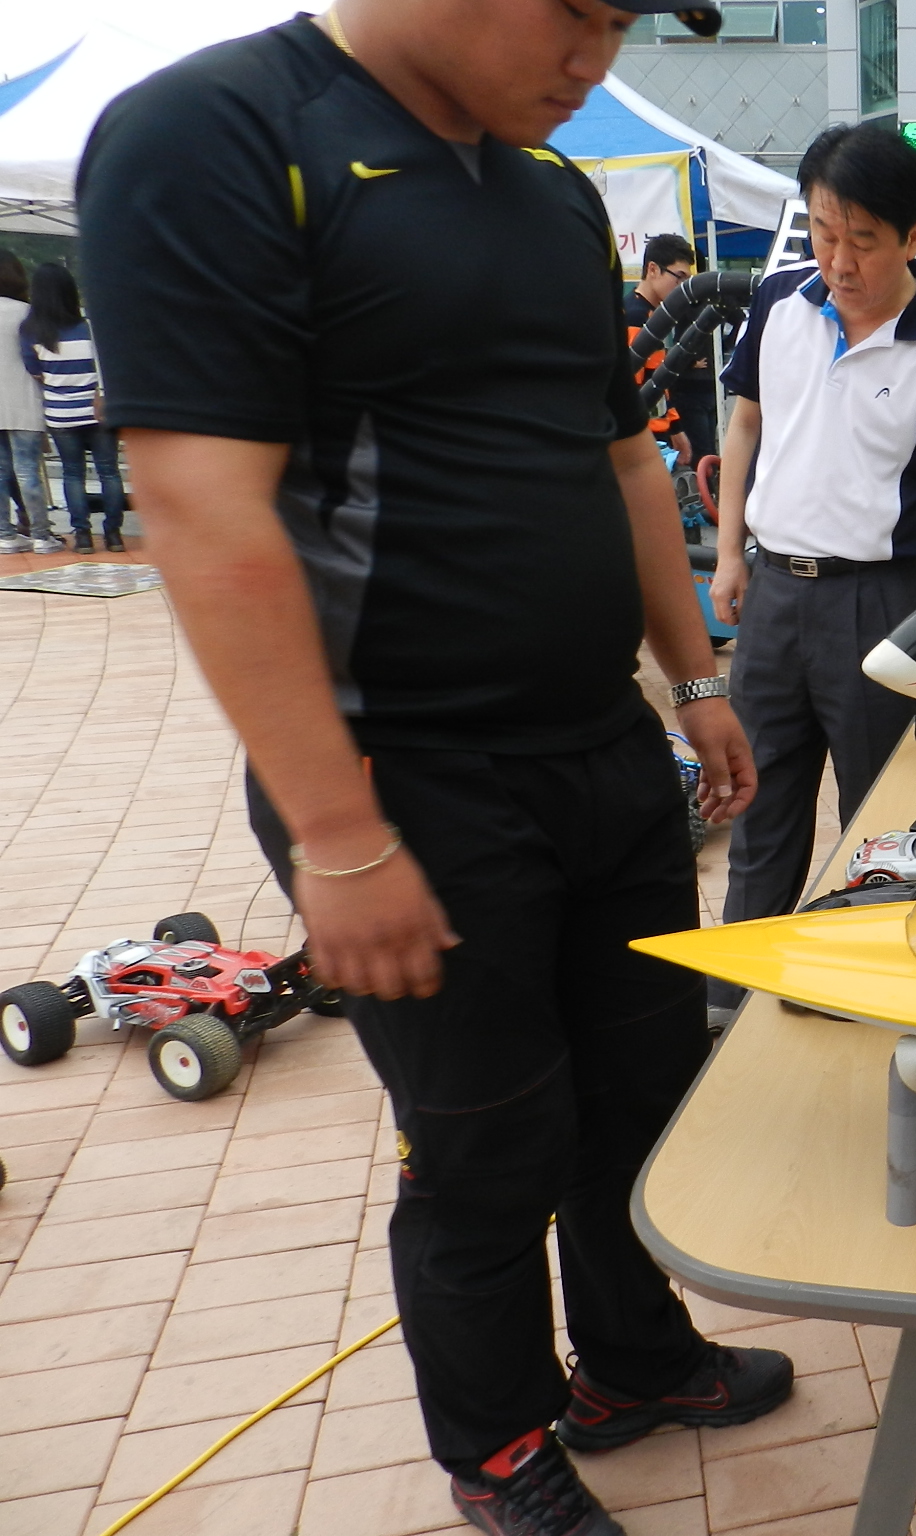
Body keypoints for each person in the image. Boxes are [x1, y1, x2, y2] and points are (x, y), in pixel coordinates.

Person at [78, 5, 789, 1534]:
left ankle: (633, 1362)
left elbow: (622, 459)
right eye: (574, 9)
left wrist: (697, 681)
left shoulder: (554, 193)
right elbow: (200, 504)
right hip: (407, 777)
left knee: (640, 1092)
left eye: (621, 21)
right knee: (488, 1140)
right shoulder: (223, 134)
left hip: (600, 746)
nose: (596, 56)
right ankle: (500, 1446)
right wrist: (337, 833)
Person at [707, 121, 916, 1019]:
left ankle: (855, 986)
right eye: (823, 232)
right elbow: (746, 425)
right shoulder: (779, 302)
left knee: (876, 819)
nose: (838, 261)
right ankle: (737, 995)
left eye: (863, 240)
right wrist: (727, 553)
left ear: (914, 237)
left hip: (875, 607)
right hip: (772, 594)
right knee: (761, 809)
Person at [21, 262, 128, 552]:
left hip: (60, 414)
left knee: (72, 473)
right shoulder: (89, 328)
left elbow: (36, 372)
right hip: (98, 410)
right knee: (108, 472)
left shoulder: (31, 331)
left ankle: (82, 536)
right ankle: (114, 535)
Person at [622, 233, 718, 467]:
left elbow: (658, 380)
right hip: (643, 437)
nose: (683, 287)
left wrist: (675, 427)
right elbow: (632, 387)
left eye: (688, 280)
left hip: (656, 432)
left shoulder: (652, 314)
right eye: (679, 277)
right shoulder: (635, 316)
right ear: (653, 270)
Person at [0, 251, 61, 554]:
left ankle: (5, 535)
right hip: (25, 401)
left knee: (0, 473)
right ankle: (41, 535)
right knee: (27, 471)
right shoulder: (29, 313)